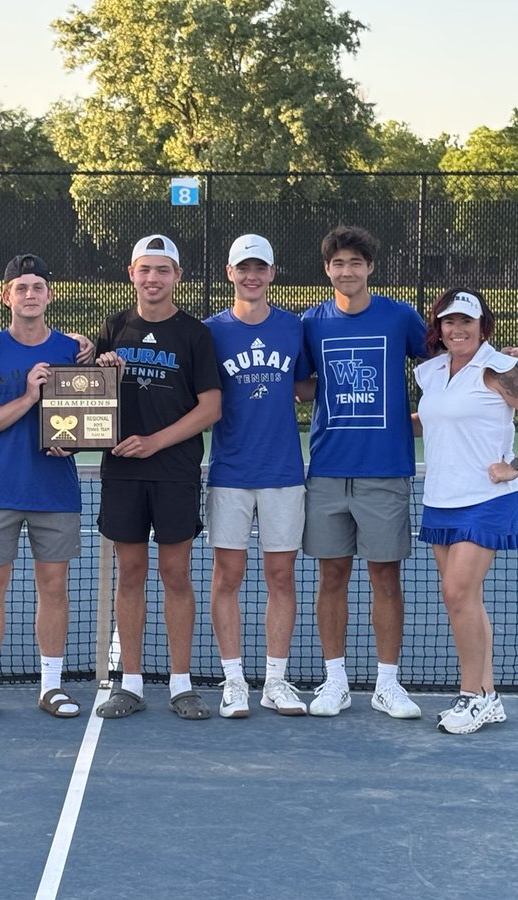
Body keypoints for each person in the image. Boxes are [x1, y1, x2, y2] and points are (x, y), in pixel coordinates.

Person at [414, 288, 518, 734]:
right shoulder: (433, 372)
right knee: (466, 600)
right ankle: (489, 695)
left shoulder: (499, 368)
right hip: (440, 497)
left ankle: (472, 696)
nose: (457, 329)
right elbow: (433, 419)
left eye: (466, 321)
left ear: (483, 326)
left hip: (487, 498)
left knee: (457, 594)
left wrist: (516, 465)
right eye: (448, 322)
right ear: (438, 329)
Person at [298, 225, 426, 719]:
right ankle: (335, 682)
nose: (346, 271)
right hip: (328, 470)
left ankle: (387, 685)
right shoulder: (312, 322)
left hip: (385, 472)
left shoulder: (399, 317)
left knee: (385, 579)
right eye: (337, 264)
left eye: (355, 263)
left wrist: (497, 363)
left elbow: (443, 363)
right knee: (331, 577)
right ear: (327, 270)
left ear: (370, 267)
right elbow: (303, 385)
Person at [93, 234, 222, 720]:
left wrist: (154, 442)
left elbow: (210, 407)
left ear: (177, 277)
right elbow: (90, 397)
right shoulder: (114, 327)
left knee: (176, 574)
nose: (153, 278)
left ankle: (181, 682)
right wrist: (103, 368)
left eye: (163, 270)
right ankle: (130, 682)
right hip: (122, 472)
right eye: (145, 269)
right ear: (132, 275)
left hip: (174, 472)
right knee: (130, 573)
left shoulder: (195, 334)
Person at [0, 254, 83, 720]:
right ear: (7, 296)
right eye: (20, 287)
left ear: (49, 295)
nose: (29, 294)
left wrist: (73, 445)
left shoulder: (74, 350)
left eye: (37, 287)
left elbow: (86, 424)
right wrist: (30, 397)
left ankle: (51, 687)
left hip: (55, 491)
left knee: (54, 586)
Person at [203, 234, 311, 718]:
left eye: (260, 268)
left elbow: (307, 387)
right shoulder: (209, 332)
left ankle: (275, 680)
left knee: (280, 576)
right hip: (230, 473)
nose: (251, 276)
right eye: (242, 268)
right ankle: (233, 681)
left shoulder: (295, 328)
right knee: (227, 576)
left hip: (284, 473)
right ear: (230, 273)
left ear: (271, 273)